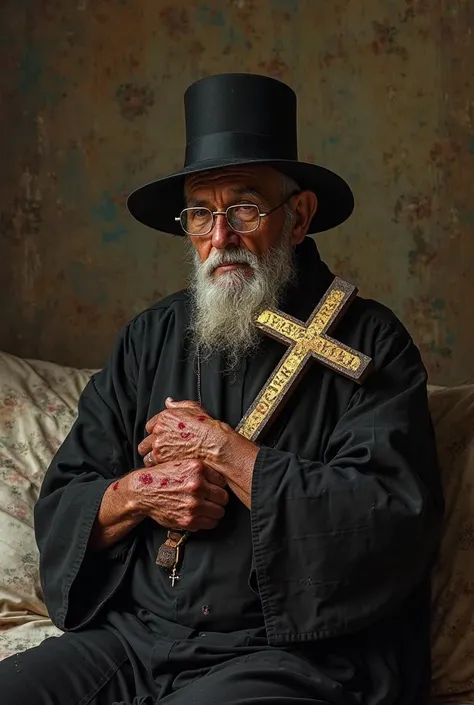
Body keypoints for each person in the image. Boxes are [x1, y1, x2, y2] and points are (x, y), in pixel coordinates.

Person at [0, 73, 444, 705]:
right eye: (201, 213)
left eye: (244, 209)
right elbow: (66, 501)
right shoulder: (150, 337)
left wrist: (225, 452)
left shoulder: (372, 341)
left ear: (298, 217)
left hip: (290, 654)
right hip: (138, 639)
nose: (220, 237)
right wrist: (138, 492)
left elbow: (390, 519)